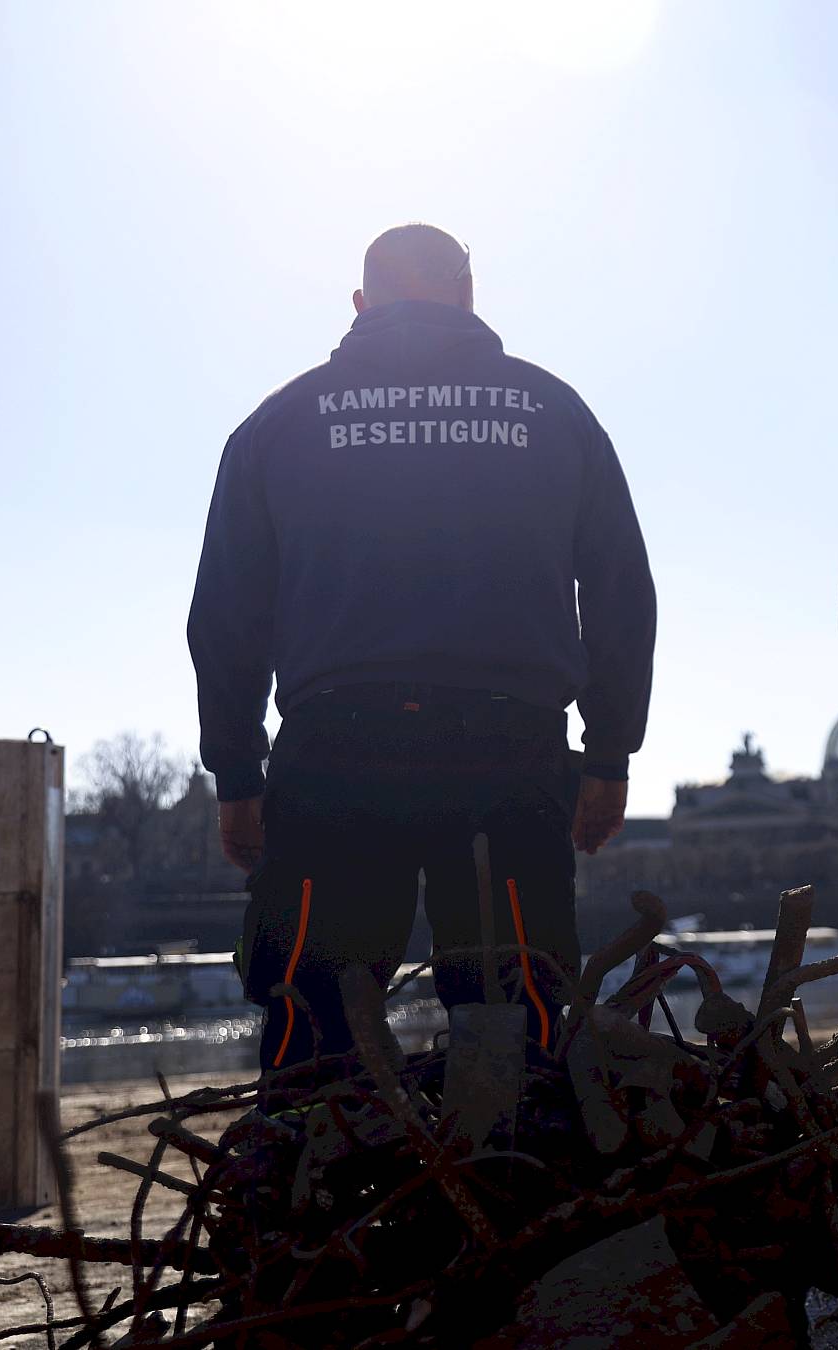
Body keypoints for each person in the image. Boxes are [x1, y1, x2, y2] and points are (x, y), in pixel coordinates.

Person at [189, 223, 656, 1075]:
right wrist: (609, 755)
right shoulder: (552, 412)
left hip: (336, 755)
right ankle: (520, 1179)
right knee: (519, 1014)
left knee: (315, 1010)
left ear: (362, 306)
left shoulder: (281, 422)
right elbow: (623, 593)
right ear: (468, 297)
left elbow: (226, 613)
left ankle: (311, 1185)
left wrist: (238, 773)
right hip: (507, 757)